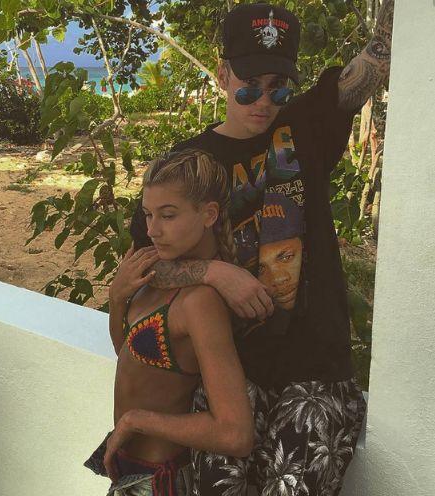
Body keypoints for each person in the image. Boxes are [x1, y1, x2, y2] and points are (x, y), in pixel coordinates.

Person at [129, 2, 395, 494]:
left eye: (279, 88)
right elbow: (144, 265)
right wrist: (214, 272)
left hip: (316, 372)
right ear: (222, 76)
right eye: (250, 86)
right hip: (230, 373)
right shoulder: (186, 166)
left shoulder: (306, 127)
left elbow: (374, 63)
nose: (264, 102)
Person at [84, 149, 254, 495]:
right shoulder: (161, 271)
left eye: (168, 215)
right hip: (128, 470)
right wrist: (117, 299)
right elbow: (129, 355)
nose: (152, 230)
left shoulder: (201, 302)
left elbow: (235, 433)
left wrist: (136, 421)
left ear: (208, 214)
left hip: (160, 480)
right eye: (148, 214)